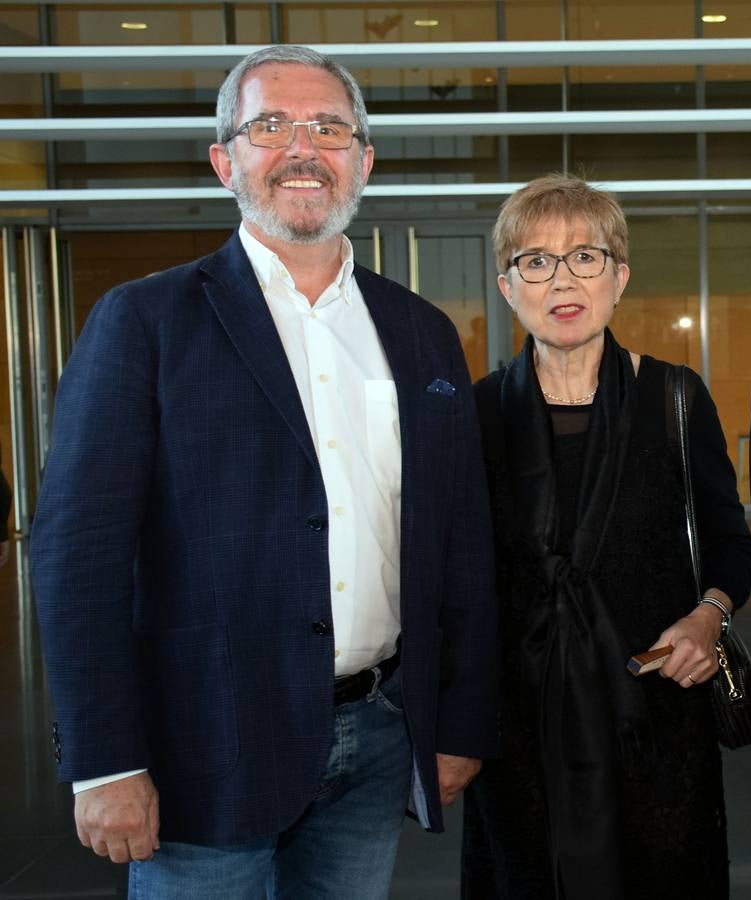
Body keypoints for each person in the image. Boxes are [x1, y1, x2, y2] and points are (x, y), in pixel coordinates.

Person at [30, 45, 499, 897]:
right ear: (225, 160)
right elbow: (77, 554)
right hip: (203, 748)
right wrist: (102, 762)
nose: (302, 149)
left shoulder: (422, 331)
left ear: (363, 159)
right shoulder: (144, 321)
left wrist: (458, 720)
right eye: (270, 126)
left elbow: (458, 541)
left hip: (382, 730)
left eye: (328, 127)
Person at [461, 174, 751, 900]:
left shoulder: (675, 399)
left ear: (619, 277)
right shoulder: (479, 414)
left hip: (654, 719)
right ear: (507, 286)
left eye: (585, 257)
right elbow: (456, 574)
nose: (562, 280)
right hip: (518, 729)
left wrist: (706, 617)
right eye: (536, 260)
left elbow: (728, 543)